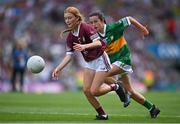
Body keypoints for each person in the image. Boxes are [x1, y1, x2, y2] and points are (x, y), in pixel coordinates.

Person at [52, 6, 127, 120]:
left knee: (95, 91)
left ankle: (115, 86)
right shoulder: (70, 37)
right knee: (87, 91)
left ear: (77, 18)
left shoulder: (86, 27)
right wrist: (58, 68)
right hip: (89, 62)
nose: (67, 21)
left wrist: (84, 46)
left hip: (101, 59)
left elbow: (98, 43)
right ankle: (102, 114)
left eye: (69, 18)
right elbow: (69, 56)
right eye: (65, 18)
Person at [88, 12, 160, 118]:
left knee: (100, 75)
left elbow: (129, 18)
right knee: (130, 91)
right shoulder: (95, 36)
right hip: (114, 64)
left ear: (102, 20)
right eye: (91, 22)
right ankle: (152, 108)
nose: (93, 24)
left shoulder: (114, 27)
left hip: (123, 60)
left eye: (95, 21)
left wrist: (142, 29)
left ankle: (118, 87)